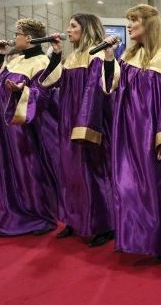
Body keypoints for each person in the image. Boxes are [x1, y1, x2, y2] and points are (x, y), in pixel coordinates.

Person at [108, 4, 161, 259]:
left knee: (155, 189)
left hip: (151, 134)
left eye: (134, 21)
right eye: (129, 20)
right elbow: (111, 87)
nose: (129, 26)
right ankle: (135, 239)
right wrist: (109, 59)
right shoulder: (127, 57)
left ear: (149, 25)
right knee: (127, 187)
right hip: (127, 133)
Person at [43, 13, 116, 247]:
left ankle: (104, 225)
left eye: (73, 26)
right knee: (71, 174)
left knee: (93, 174)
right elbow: (49, 82)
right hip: (68, 121)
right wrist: (55, 54)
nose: (68, 29)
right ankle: (75, 220)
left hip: (88, 122)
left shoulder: (95, 54)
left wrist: (84, 124)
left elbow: (95, 92)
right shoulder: (71, 57)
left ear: (86, 29)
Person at [0, 18, 59, 236]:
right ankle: (11, 213)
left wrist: (20, 92)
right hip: (4, 129)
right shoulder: (16, 60)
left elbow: (42, 95)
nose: (14, 37)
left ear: (29, 38)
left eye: (18, 33)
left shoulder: (42, 62)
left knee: (27, 170)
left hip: (24, 129)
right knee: (8, 171)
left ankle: (36, 214)